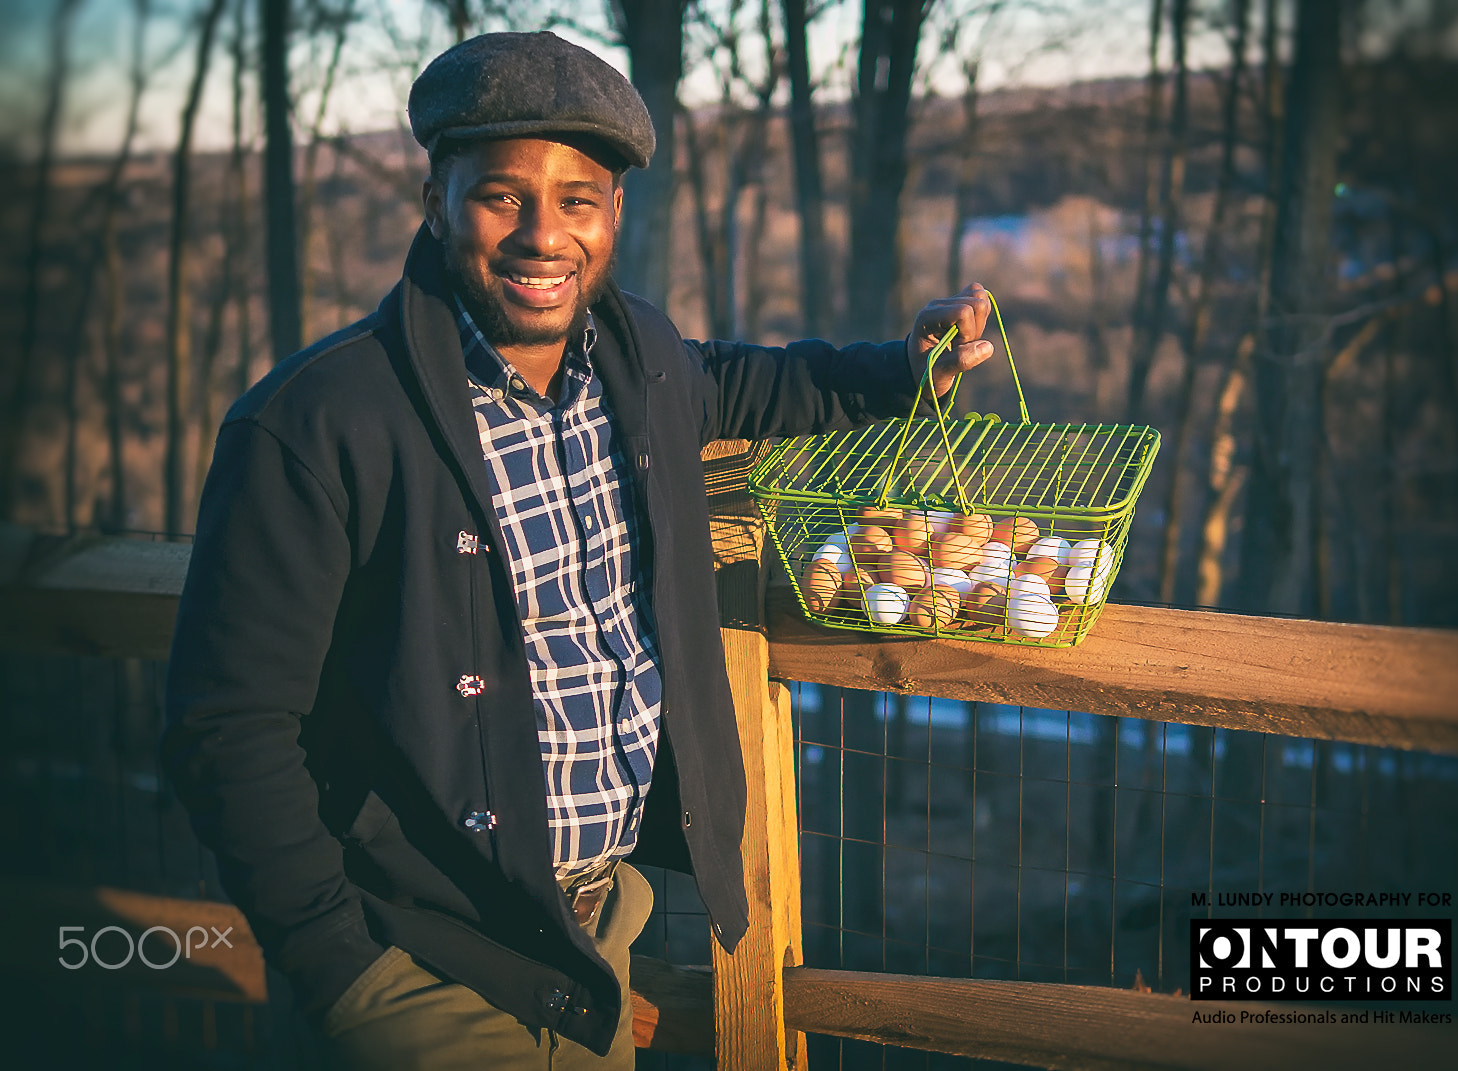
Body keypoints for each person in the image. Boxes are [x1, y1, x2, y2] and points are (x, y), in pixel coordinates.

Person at [162, 30, 994, 1071]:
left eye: (578, 199)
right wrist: (342, 970)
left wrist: (901, 373)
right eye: (502, 196)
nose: (542, 235)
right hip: (423, 961)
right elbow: (225, 725)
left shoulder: (636, 359)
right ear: (434, 204)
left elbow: (741, 382)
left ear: (613, 216)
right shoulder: (320, 422)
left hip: (598, 942)